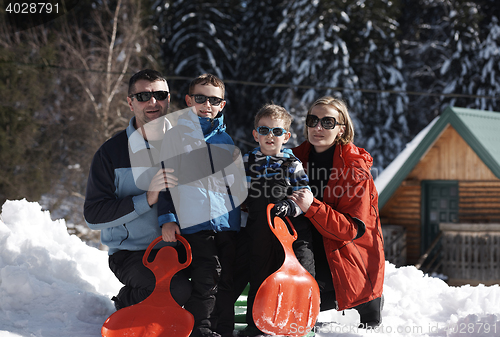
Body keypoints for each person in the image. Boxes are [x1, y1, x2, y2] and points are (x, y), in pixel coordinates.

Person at [83, 69, 192, 311]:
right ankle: (126, 302)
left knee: (214, 278)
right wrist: (147, 198)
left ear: (168, 99)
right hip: (132, 253)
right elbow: (94, 214)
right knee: (177, 290)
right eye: (143, 96)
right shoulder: (111, 153)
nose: (153, 102)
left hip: (182, 247)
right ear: (130, 103)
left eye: (160, 95)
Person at [157, 73, 246, 337]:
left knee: (227, 278)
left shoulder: (225, 140)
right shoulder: (176, 137)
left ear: (222, 105)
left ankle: (224, 329)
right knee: (208, 274)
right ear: (188, 100)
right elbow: (165, 181)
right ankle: (200, 329)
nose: (207, 104)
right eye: (200, 98)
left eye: (214, 100)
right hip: (195, 223)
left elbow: (235, 184)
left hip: (226, 224)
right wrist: (168, 217)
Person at [289, 96, 385, 329]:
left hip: (345, 255)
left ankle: (366, 302)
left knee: (301, 300)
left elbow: (350, 230)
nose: (318, 127)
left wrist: (312, 206)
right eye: (313, 120)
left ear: (341, 129)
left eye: (328, 122)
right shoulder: (291, 160)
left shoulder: (355, 170)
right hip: (304, 246)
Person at [238, 104, 315, 337]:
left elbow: (304, 193)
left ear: (287, 136)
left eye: (277, 131)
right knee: (259, 271)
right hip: (258, 229)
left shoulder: (292, 164)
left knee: (295, 269)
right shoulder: (246, 162)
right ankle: (256, 321)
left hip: (287, 231)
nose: (270, 136)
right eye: (264, 130)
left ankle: (296, 319)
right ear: (255, 134)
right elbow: (236, 192)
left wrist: (290, 205)